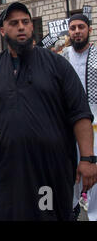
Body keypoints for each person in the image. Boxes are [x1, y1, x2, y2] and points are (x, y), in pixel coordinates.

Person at [0, 2, 97, 221]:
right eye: (14, 23)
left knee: (47, 215)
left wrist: (88, 159)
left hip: (49, 171)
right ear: (2, 30)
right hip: (8, 171)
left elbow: (80, 113)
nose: (21, 27)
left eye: (25, 22)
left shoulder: (57, 64)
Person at [62, 13, 97, 221]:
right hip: (68, 121)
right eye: (73, 28)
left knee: (92, 166)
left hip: (94, 122)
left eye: (81, 27)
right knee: (70, 167)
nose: (76, 31)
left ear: (89, 30)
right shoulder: (62, 56)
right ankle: (72, 207)